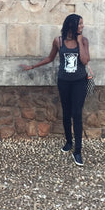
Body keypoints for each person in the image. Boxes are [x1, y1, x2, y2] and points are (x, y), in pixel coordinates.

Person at [20, 14, 90, 166]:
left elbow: (85, 61)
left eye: (82, 24)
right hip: (64, 82)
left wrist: (79, 41)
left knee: (77, 114)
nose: (82, 26)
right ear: (71, 25)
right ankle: (68, 142)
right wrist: (31, 66)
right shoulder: (58, 41)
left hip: (79, 82)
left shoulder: (83, 41)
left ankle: (78, 151)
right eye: (80, 24)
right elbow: (50, 58)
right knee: (66, 113)